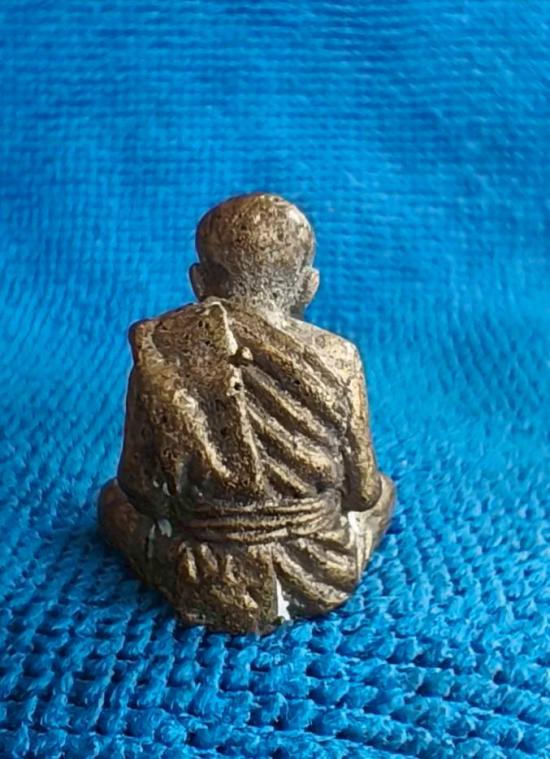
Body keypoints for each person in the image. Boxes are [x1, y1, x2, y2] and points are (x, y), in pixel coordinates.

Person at [99, 193, 394, 634]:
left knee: (111, 502)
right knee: (386, 494)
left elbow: (139, 489)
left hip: (200, 570)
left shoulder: (162, 349)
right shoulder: (339, 357)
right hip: (321, 565)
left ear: (198, 281)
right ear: (308, 285)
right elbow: (363, 494)